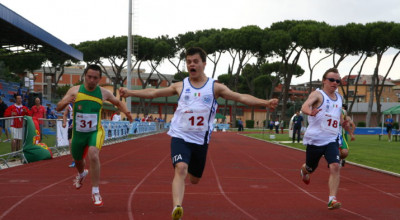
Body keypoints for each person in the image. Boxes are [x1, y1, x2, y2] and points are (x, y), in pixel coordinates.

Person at [119, 47, 278, 220]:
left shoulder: (215, 87)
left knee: (194, 179)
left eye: (195, 61)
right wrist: (130, 92)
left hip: (200, 141)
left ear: (204, 64)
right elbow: (154, 92)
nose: (191, 65)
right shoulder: (181, 86)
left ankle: (188, 178)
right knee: (180, 168)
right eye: (188, 62)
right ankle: (177, 207)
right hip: (180, 135)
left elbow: (240, 97)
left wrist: (265, 102)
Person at [56, 64, 133, 207]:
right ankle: (81, 174)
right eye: (89, 77)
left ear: (99, 79)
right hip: (78, 133)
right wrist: (65, 101)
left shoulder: (103, 93)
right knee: (78, 160)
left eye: (95, 78)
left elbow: (118, 103)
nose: (91, 80)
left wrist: (127, 113)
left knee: (93, 154)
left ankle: (95, 190)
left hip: (95, 131)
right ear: (84, 76)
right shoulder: (74, 90)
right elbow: (59, 107)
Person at [299, 68, 345, 210]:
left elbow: (337, 114)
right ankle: (304, 171)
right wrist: (310, 112)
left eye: (337, 81)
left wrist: (343, 121)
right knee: (310, 168)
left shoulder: (339, 98)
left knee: (335, 166)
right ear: (324, 80)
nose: (335, 83)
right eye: (331, 80)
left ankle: (332, 199)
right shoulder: (318, 94)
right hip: (315, 139)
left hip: (331, 139)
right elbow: (305, 105)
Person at [62, 103, 75, 168]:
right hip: (71, 126)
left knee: (79, 144)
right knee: (70, 143)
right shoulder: (69, 106)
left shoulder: (81, 103)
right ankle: (73, 160)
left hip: (79, 127)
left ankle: (79, 158)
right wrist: (64, 123)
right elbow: (65, 115)